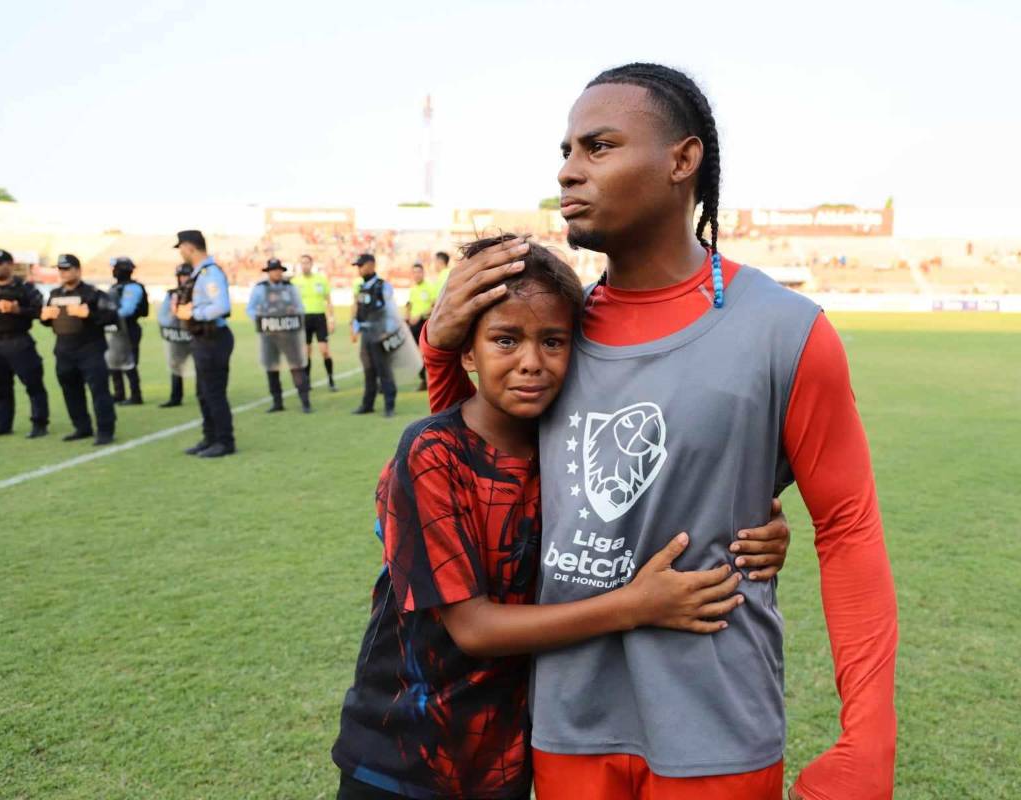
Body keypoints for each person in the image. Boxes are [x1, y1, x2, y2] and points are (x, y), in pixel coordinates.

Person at [422, 63, 898, 800]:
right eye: (566, 151)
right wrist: (437, 349)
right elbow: (463, 463)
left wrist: (868, 739)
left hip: (718, 726)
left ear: (682, 160)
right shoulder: (556, 336)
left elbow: (848, 528)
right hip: (566, 723)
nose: (567, 171)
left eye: (598, 147)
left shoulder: (784, 331)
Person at [331, 235, 791, 800]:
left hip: (508, 756)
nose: (531, 363)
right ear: (467, 353)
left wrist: (757, 526)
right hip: (403, 752)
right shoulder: (429, 452)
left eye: (553, 341)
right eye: (505, 340)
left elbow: (661, 502)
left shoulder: (565, 447)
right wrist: (636, 606)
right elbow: (473, 628)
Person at [0, 248, 50, 438]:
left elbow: (40, 311)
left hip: (18, 341)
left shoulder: (25, 288)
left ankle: (39, 423)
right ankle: (3, 424)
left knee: (33, 384)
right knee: (0, 386)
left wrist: (18, 310)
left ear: (10, 265)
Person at [40, 254, 119, 445]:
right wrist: (44, 317)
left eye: (67, 269)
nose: (63, 272)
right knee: (71, 391)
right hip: (64, 350)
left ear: (78, 270)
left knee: (99, 391)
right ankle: (81, 427)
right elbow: (50, 321)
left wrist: (89, 314)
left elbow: (112, 316)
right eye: (60, 269)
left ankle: (105, 431)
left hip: (90, 349)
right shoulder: (55, 294)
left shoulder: (93, 293)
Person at [173, 229, 236, 458]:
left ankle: (224, 441)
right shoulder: (201, 273)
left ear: (189, 247)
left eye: (180, 247)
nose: (180, 252)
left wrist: (193, 313)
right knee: (203, 392)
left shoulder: (210, 273)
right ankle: (210, 438)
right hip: (203, 338)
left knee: (214, 392)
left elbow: (221, 306)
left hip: (214, 338)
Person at [247, 258, 312, 413]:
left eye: (278, 270)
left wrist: (293, 312)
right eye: (273, 270)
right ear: (268, 272)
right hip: (269, 334)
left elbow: (300, 308)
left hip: (289, 334)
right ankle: (277, 402)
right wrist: (259, 317)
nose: (276, 273)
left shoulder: (290, 288)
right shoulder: (259, 288)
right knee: (272, 367)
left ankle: (305, 401)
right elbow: (250, 309)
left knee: (296, 367)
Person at [350, 253, 400, 417]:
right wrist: (355, 327)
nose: (359, 269)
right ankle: (368, 404)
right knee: (369, 370)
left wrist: (387, 332)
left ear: (371, 265)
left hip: (380, 333)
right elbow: (360, 311)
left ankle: (389, 405)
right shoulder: (362, 287)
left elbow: (391, 311)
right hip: (366, 334)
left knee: (383, 370)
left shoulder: (383, 286)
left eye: (361, 265)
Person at [291, 254, 338, 391]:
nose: (305, 265)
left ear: (311, 264)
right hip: (303, 318)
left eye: (307, 263)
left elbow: (328, 300)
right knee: (306, 352)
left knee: (324, 351)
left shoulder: (321, 280)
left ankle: (331, 379)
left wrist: (331, 319)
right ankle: (307, 381)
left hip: (319, 317)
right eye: (302, 263)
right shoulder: (295, 282)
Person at [107, 256, 149, 405]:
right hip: (115, 329)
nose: (113, 271)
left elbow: (127, 310)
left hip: (128, 328)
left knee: (129, 362)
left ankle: (136, 395)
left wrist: (107, 315)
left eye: (116, 268)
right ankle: (119, 394)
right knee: (113, 359)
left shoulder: (132, 288)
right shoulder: (116, 287)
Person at [158, 263, 194, 408]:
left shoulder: (199, 292)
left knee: (201, 365)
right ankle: (175, 396)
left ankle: (203, 393)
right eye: (181, 276)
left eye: (186, 275)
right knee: (175, 364)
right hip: (177, 334)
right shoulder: (172, 294)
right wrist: (173, 319)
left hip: (194, 333)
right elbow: (163, 315)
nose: (184, 279)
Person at [405, 262, 436, 390]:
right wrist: (407, 316)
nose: (417, 275)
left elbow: (435, 305)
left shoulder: (429, 287)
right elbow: (409, 305)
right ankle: (423, 379)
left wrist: (420, 315)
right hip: (413, 324)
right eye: (414, 272)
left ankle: (429, 380)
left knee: (423, 353)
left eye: (419, 272)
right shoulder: (413, 289)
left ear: (423, 273)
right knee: (414, 354)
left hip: (424, 323)